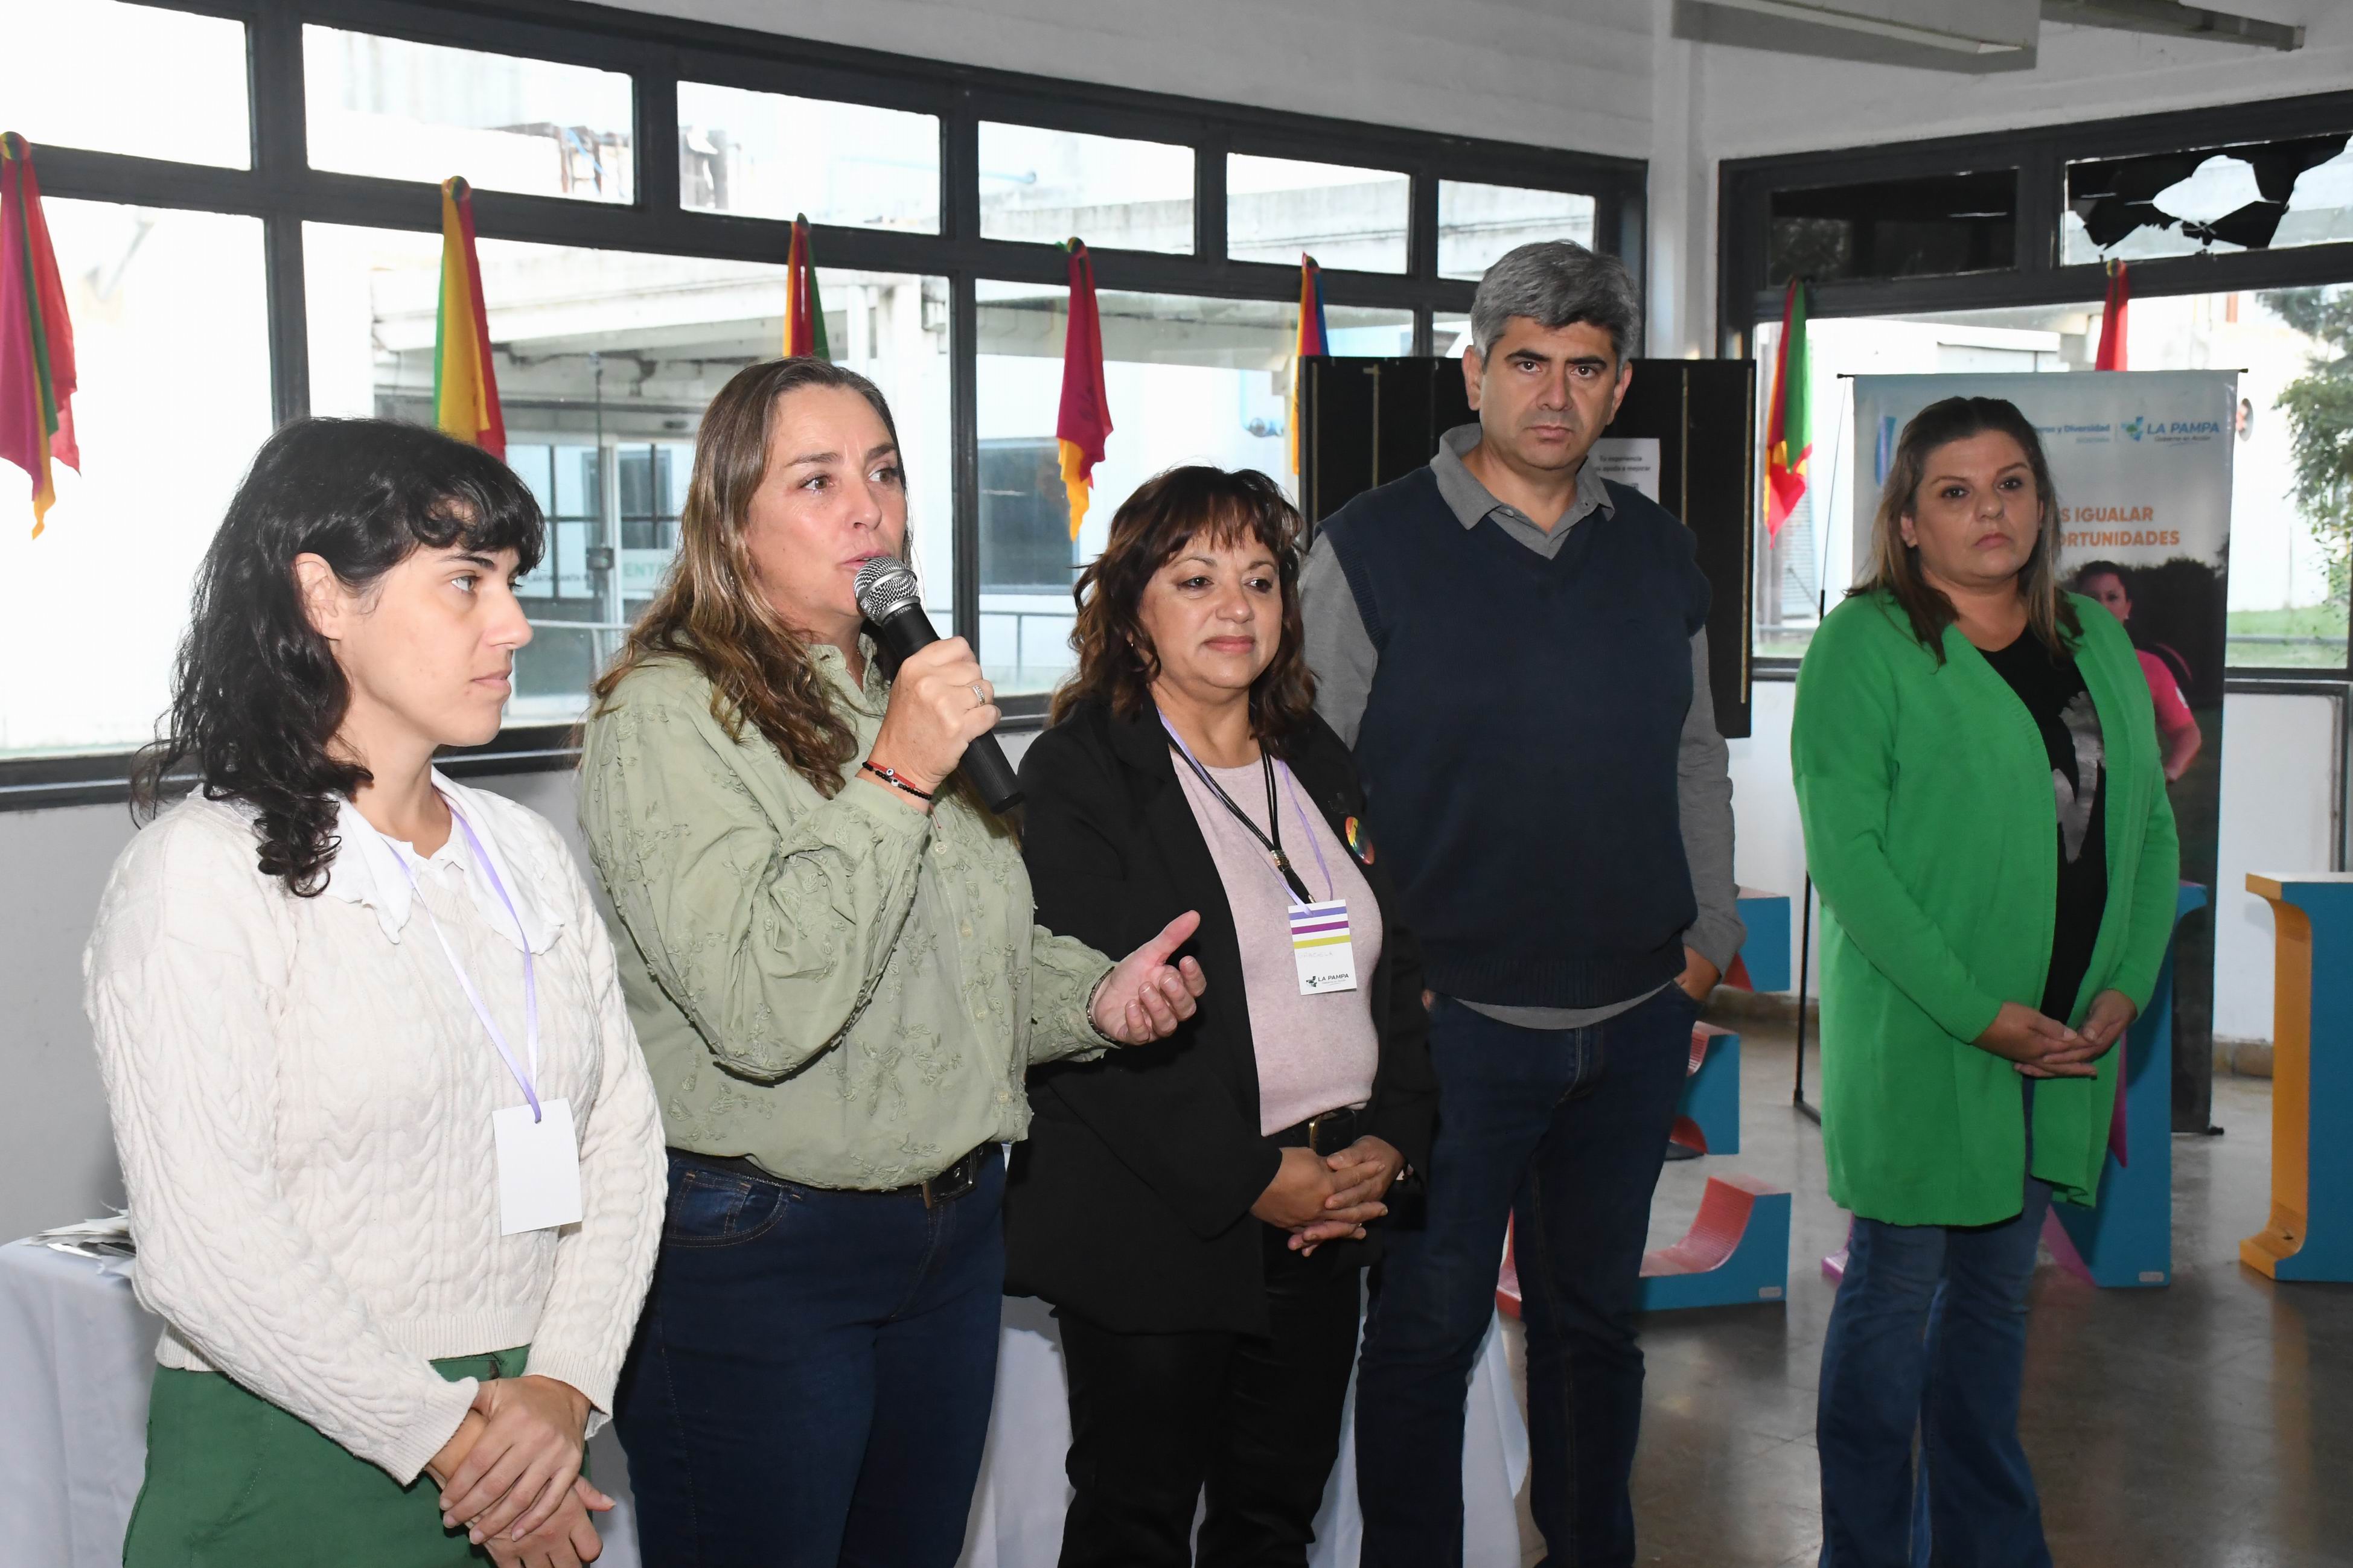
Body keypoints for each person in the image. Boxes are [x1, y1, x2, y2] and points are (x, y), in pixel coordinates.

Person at [576, 357, 1210, 1568]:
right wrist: (901, 772)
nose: (865, 509)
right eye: (815, 481)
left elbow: (959, 961)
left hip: (952, 1229)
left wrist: (1093, 995)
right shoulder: (665, 713)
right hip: (762, 1248)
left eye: (882, 472)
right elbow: (764, 1007)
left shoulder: (897, 689)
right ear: (731, 520)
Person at [93, 418, 668, 1568]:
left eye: (509, 583)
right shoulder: (198, 877)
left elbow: (622, 1136)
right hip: (297, 1451)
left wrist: (561, 1385)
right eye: (464, 583)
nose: (512, 623)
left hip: (528, 1437)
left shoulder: (520, 851)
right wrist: (448, 1433)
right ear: (324, 598)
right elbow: (208, 1246)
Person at [1303, 238, 1744, 1568]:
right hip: (1451, 1033)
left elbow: (1690, 753)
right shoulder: (1367, 548)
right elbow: (1309, 794)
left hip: (1629, 1017)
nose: (1554, 395)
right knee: (1427, 1333)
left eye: (1585, 369)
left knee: (1593, 1329)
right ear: (1474, 369)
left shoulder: (1660, 552)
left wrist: (1708, 941)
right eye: (1527, 362)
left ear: (1618, 393)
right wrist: (1373, 995)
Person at [1010, 465, 1437, 1567]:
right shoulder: (1078, 774)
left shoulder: (1316, 756)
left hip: (1326, 1208)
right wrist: (1253, 1177)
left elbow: (1390, 974)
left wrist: (1388, 1144)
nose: (1235, 607)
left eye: (1258, 578)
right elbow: (1089, 1021)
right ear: (1130, 609)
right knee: (1133, 1522)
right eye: (1194, 578)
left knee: (1271, 1522)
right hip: (1162, 1222)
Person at [1793, 397, 2181, 1566]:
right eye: (1953, 492)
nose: (1988, 511)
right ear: (1906, 522)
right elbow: (1848, 862)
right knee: (1891, 1303)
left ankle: (1986, 1548)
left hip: (2063, 1039)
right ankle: (1862, 1552)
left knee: (1990, 1313)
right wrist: (1977, 1015)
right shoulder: (1866, 642)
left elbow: (2149, 829)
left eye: (2009, 482)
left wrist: (2121, 987)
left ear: (2040, 499)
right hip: (1931, 1040)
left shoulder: (2091, 637)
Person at [2072, 559, 2202, 780]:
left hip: (2129, 799)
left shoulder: (2151, 668)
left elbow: (2187, 732)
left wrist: (2170, 773)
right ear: (2075, 606)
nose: (2102, 607)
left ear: (2128, 607)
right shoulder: (2052, 661)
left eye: (2112, 598)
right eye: (2092, 599)